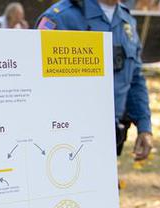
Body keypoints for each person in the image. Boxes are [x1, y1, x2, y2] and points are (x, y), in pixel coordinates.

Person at [37, 0, 153, 161]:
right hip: (66, 139)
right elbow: (38, 84)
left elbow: (135, 78)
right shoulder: (62, 18)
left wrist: (144, 126)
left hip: (111, 136)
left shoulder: (126, 21)